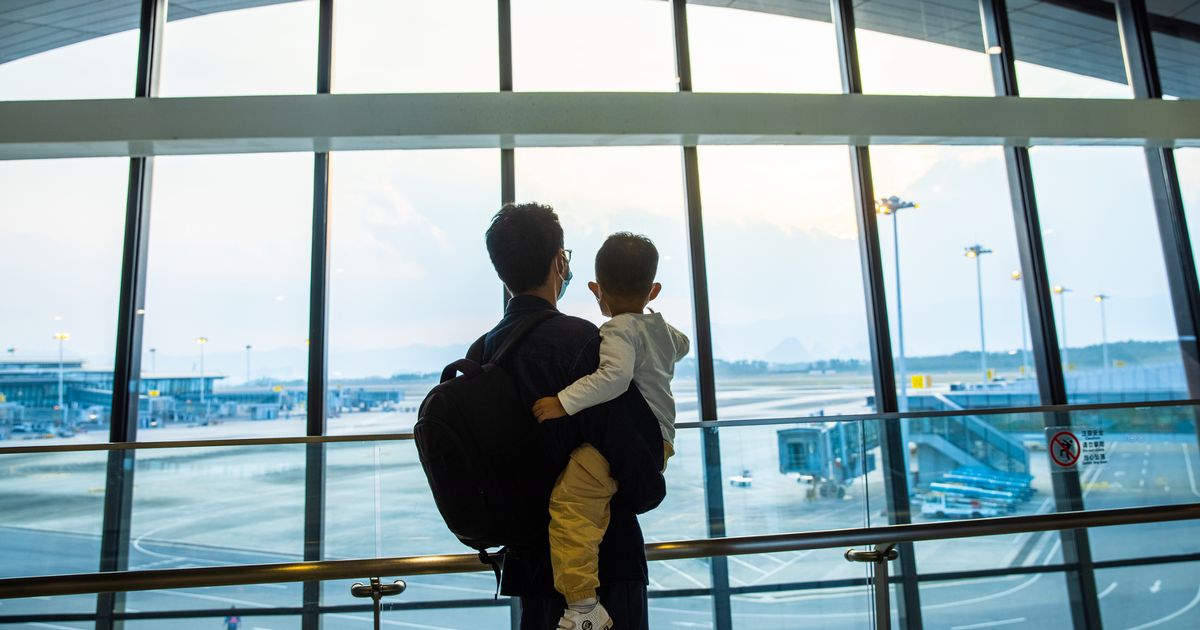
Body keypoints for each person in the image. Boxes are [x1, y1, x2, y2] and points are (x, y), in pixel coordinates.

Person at [482, 203, 666, 630]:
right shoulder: (585, 343)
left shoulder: (485, 351)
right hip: (605, 566)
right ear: (560, 263)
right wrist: (649, 487)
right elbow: (634, 456)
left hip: (529, 566)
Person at [531, 232, 689, 629]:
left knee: (570, 507)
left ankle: (583, 606)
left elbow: (613, 377)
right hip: (659, 441)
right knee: (593, 507)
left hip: (630, 440)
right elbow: (684, 344)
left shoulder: (617, 330)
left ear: (596, 290)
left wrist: (562, 402)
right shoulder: (660, 329)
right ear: (653, 290)